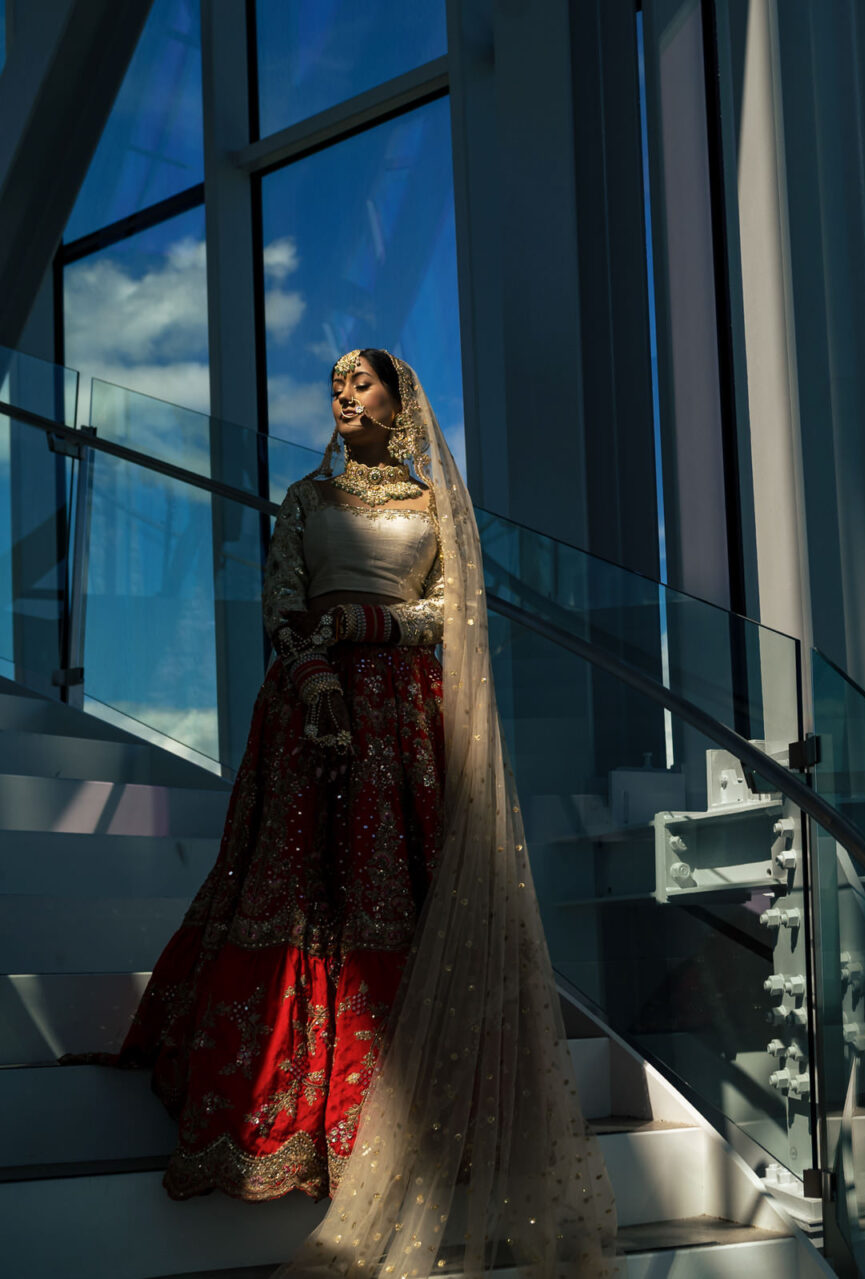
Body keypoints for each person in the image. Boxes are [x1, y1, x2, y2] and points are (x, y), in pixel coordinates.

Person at [107, 350, 616, 1278]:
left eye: (362, 384)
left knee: (399, 894)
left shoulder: (431, 508)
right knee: (297, 889)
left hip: (406, 719)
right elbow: (282, 595)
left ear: (400, 400)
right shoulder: (308, 499)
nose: (344, 394)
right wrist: (311, 672)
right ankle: (284, 1118)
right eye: (335, 385)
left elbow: (450, 611)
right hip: (314, 708)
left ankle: (406, 1121)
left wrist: (369, 628)